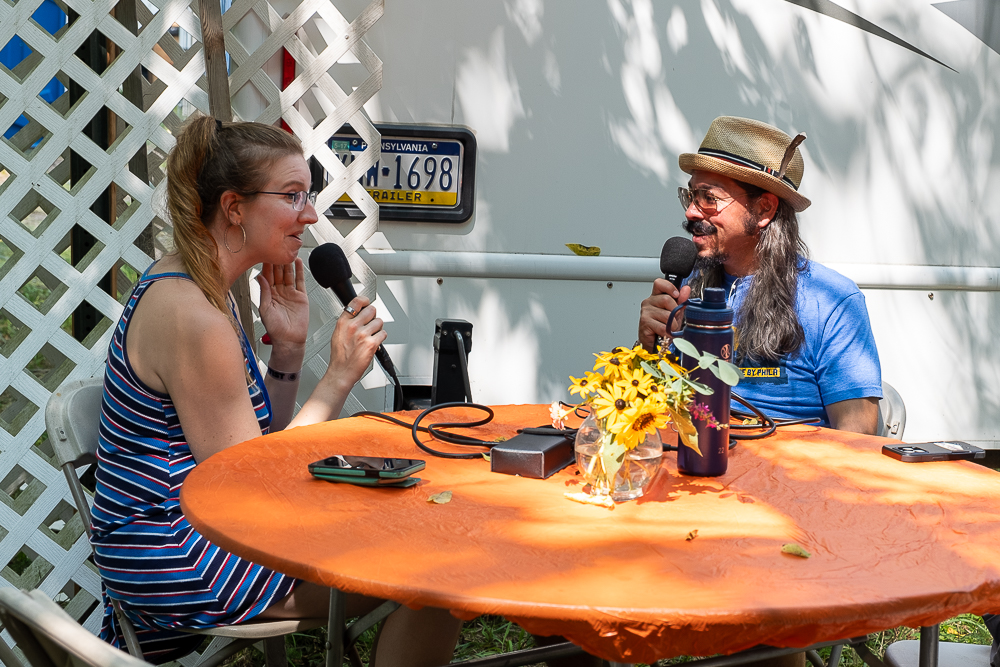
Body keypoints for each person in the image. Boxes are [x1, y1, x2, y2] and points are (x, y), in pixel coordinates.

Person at [90, 116, 463, 665]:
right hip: (177, 552)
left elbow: (256, 442)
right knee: (434, 573)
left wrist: (286, 352)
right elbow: (249, 479)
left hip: (200, 531)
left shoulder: (202, 290)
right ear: (234, 207)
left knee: (419, 541)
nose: (310, 215)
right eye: (292, 196)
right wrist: (336, 377)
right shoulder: (193, 316)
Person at [638, 116, 882, 435]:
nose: (691, 212)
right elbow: (646, 402)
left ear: (764, 209)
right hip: (687, 463)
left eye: (709, 198)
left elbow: (856, 439)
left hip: (785, 478)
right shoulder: (685, 281)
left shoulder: (833, 302)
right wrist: (647, 346)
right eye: (690, 196)